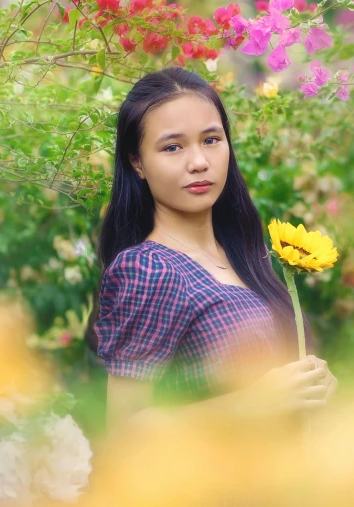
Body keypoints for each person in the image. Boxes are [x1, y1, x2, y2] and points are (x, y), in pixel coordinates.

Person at [94, 67, 338, 431]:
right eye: (172, 147)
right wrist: (252, 403)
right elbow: (124, 432)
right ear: (137, 162)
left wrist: (311, 386)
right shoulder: (149, 268)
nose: (199, 162)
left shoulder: (244, 255)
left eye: (211, 140)